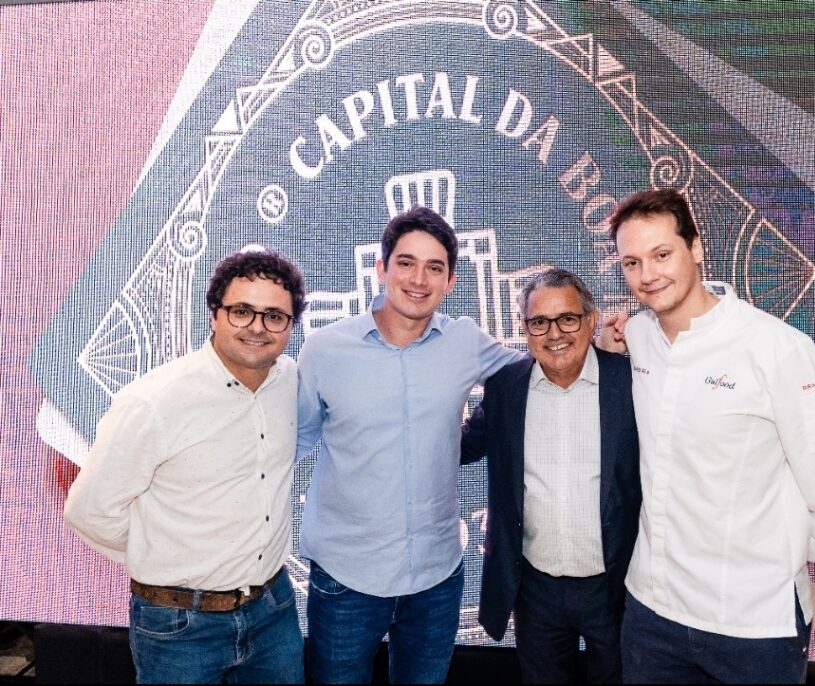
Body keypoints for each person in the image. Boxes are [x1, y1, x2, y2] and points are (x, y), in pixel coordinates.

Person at [600, 189, 815, 684]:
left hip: (754, 622)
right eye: (632, 263)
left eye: (662, 254)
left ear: (696, 247)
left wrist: (807, 552)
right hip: (652, 613)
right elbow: (614, 344)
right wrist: (607, 340)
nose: (648, 274)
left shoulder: (777, 348)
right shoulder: (638, 337)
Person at [296, 206, 523, 684]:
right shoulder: (324, 349)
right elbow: (288, 443)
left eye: (434, 267)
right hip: (346, 579)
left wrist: (603, 344)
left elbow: (535, 374)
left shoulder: (465, 341)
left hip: (436, 580)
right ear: (382, 268)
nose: (418, 279)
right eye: (406, 263)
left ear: (451, 281)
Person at [63, 249, 307, 684]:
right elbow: (89, 512)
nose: (257, 327)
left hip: (274, 611)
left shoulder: (288, 379)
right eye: (241, 311)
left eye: (274, 316)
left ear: (291, 326)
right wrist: (162, 555)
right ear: (214, 314)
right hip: (179, 625)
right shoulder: (152, 402)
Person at [461, 268, 641, 684]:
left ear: (592, 321)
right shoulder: (506, 387)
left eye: (568, 319)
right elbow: (461, 447)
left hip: (615, 586)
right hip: (535, 590)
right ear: (525, 329)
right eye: (540, 321)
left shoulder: (631, 381)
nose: (554, 333)